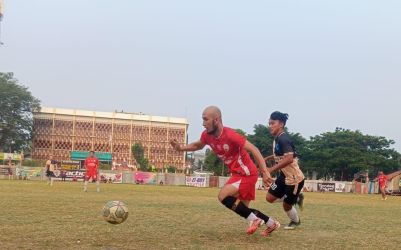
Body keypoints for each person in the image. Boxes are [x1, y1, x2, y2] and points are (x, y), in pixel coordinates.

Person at [170, 106, 280, 236]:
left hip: (247, 173)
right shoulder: (207, 136)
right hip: (237, 174)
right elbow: (197, 145)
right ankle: (271, 223)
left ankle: (255, 220)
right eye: (202, 119)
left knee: (223, 196)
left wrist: (265, 171)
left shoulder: (230, 135)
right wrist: (180, 148)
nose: (203, 123)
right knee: (243, 209)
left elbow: (254, 149)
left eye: (206, 119)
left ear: (216, 120)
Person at [264, 111, 305, 230]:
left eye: (273, 123)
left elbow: (289, 158)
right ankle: (296, 198)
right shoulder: (276, 139)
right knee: (269, 198)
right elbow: (283, 155)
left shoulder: (284, 139)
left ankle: (295, 221)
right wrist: (269, 158)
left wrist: (271, 169)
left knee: (286, 206)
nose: (270, 126)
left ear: (281, 124)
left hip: (294, 179)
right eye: (269, 123)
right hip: (283, 176)